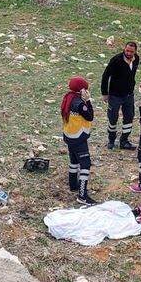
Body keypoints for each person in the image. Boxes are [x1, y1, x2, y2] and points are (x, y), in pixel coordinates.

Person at [60, 76, 96, 205]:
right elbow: (90, 116)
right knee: (85, 164)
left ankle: (73, 185)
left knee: (74, 161)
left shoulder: (68, 98)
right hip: (79, 137)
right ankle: (82, 195)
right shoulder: (80, 104)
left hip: (69, 135)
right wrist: (88, 102)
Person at [100, 41, 140, 150]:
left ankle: (124, 140)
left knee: (129, 116)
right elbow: (105, 76)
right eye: (127, 50)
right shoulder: (116, 60)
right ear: (124, 49)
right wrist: (104, 93)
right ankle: (111, 140)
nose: (129, 53)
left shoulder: (136, 59)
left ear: (135, 51)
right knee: (112, 117)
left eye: (131, 51)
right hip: (115, 95)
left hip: (129, 95)